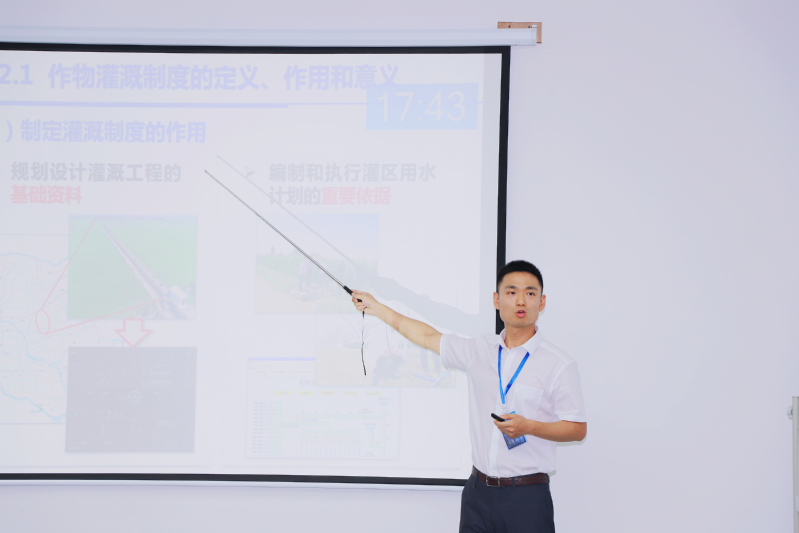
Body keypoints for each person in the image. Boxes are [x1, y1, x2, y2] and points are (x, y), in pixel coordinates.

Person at [351, 260, 586, 533]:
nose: (521, 300)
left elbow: (577, 429)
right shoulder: (480, 350)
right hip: (478, 494)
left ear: (541, 302)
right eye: (511, 292)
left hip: (526, 497)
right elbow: (427, 336)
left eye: (530, 293)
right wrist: (377, 307)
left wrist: (529, 427)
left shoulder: (558, 364)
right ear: (497, 300)